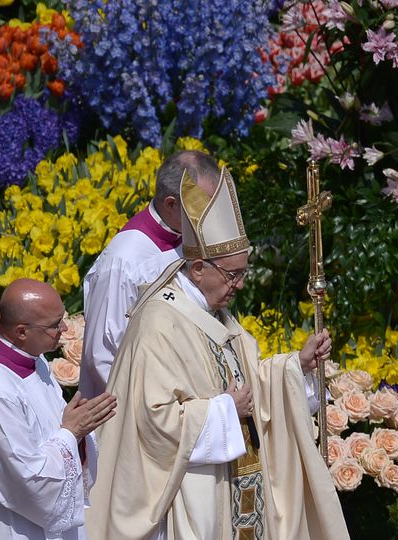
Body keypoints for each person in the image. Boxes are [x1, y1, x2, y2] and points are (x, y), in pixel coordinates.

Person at [85, 165, 349, 539]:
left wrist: (296, 365)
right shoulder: (159, 322)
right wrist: (222, 411)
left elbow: (246, 379)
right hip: (187, 494)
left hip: (231, 482)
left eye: (243, 273)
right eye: (232, 275)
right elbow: (152, 420)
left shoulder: (216, 310)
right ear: (197, 268)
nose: (239, 285)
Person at [0, 278, 118, 540]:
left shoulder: (34, 359)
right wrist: (72, 432)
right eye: (55, 325)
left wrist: (78, 428)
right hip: (7, 524)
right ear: (21, 332)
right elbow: (26, 479)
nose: (65, 328)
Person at [79, 150, 220, 400]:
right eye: (202, 207)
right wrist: (159, 408)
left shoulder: (186, 234)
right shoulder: (124, 261)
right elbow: (103, 357)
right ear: (171, 204)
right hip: (142, 409)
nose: (209, 217)